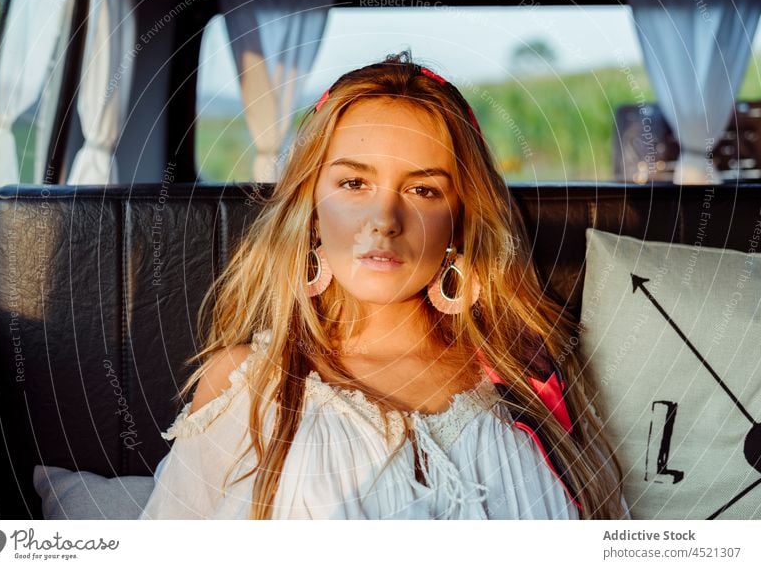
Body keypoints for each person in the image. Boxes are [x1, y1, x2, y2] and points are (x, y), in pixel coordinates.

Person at [139, 50, 626, 520]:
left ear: (459, 220)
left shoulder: (531, 378)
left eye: (423, 189)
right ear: (310, 208)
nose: (385, 220)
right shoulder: (246, 383)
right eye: (354, 183)